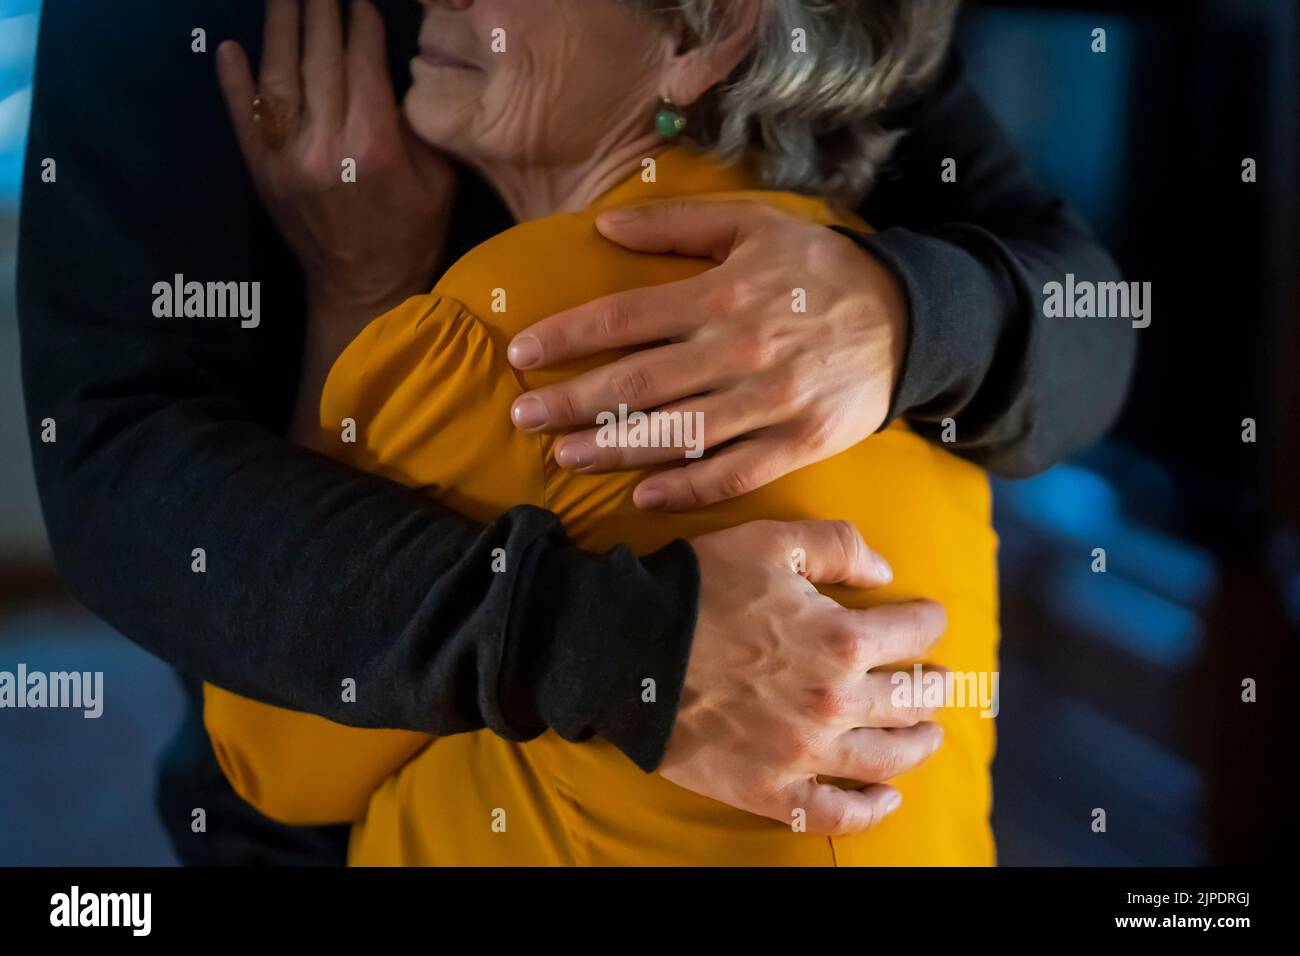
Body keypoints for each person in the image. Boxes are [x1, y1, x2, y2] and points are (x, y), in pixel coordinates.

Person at [17, 0, 1134, 865]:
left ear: (709, 38)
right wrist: (617, 647)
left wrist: (901, 315)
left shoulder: (498, 330)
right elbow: (119, 464)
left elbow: (268, 753)